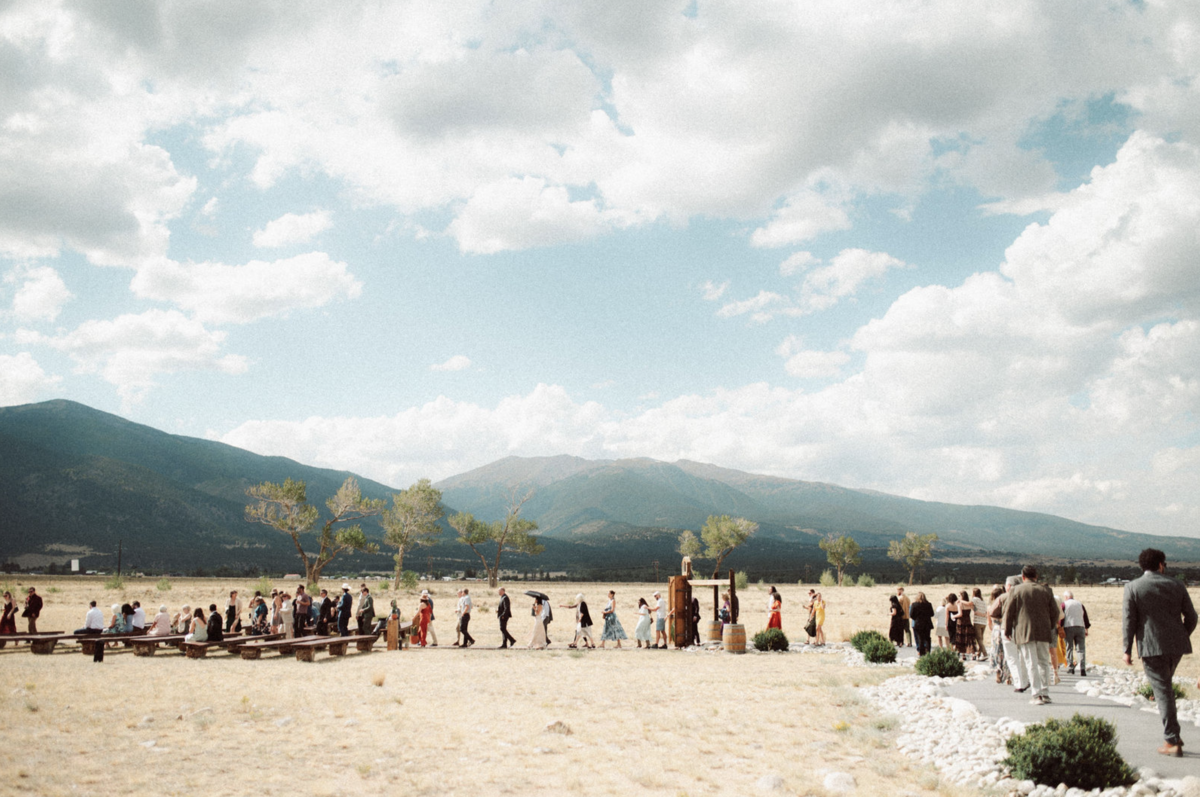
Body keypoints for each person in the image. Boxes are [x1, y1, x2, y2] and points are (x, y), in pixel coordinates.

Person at [1123, 547, 1198, 757]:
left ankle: (1172, 740)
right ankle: (1174, 736)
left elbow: (1129, 621)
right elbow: (1192, 617)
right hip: (1177, 647)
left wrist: (1126, 649)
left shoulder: (1133, 587)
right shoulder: (1177, 584)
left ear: (1142, 566)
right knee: (1165, 689)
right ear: (1161, 564)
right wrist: (1183, 635)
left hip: (1151, 646)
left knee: (1163, 692)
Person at [1003, 564, 1060, 705]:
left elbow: (1009, 612)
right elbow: (1055, 613)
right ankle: (1045, 693)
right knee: (1043, 662)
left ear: (1023, 577)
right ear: (1036, 576)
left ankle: (1036, 694)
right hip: (1044, 631)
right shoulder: (1046, 590)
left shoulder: (1016, 590)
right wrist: (1050, 625)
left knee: (1031, 663)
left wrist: (1008, 630)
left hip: (1024, 632)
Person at [1061, 589, 1090, 676]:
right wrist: (1086, 628)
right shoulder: (1080, 604)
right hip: (1080, 627)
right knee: (1081, 648)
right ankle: (1082, 668)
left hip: (1068, 627)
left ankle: (1070, 668)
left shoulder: (1064, 604)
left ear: (1066, 597)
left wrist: (1060, 627)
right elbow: (1085, 617)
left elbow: (1061, 616)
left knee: (1069, 647)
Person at [953, 590, 976, 660]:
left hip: (961, 622)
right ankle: (973, 654)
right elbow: (974, 609)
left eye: (959, 596)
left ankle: (963, 654)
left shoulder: (960, 604)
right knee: (969, 638)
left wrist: (953, 616)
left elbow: (960, 614)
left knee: (960, 638)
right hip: (968, 621)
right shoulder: (969, 604)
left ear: (962, 596)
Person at [971, 588, 988, 659]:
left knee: (978, 639)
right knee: (981, 639)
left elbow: (971, 605)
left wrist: (976, 611)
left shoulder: (974, 599)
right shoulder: (983, 601)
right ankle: (978, 653)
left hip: (977, 621)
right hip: (984, 622)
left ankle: (985, 654)